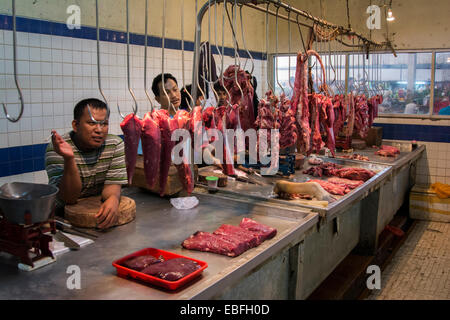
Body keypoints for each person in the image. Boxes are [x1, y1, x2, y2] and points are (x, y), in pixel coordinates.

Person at [45, 98, 128, 229]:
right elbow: (69, 198)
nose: (99, 130)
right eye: (91, 123)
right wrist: (69, 159)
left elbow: (112, 185)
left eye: (104, 123)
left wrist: (113, 199)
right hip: (61, 220)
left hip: (95, 215)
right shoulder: (58, 148)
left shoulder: (115, 144)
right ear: (75, 125)